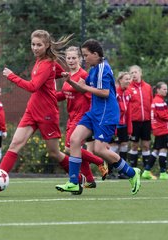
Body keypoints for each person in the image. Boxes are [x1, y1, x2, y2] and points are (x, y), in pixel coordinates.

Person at [0, 30, 86, 193]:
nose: (35, 48)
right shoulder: (42, 62)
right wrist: (62, 74)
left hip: (47, 113)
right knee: (15, 144)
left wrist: (12, 76)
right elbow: (57, 73)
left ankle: (77, 178)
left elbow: (32, 86)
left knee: (54, 153)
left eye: (39, 45)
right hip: (32, 111)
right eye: (33, 44)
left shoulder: (46, 63)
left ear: (47, 45)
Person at [55, 39, 141, 195]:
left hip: (106, 114)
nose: (84, 58)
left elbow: (105, 92)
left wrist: (85, 86)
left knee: (99, 150)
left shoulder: (103, 69)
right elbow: (82, 88)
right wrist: (70, 81)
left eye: (86, 55)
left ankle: (132, 173)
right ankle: (74, 182)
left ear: (95, 54)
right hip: (94, 112)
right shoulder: (94, 68)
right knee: (74, 140)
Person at [56, 46, 108, 188]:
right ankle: (90, 180)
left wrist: (94, 119)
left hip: (82, 117)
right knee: (76, 148)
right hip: (71, 116)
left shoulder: (84, 75)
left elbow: (92, 97)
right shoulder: (67, 76)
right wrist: (48, 96)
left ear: (79, 59)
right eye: (68, 58)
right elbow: (64, 94)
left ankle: (98, 161)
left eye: (74, 58)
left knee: (69, 149)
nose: (71, 60)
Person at [142, 82, 168, 180]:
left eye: (166, 89)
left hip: (158, 129)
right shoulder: (159, 101)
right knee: (163, 149)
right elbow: (163, 115)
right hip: (162, 129)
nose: (166, 91)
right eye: (164, 89)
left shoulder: (157, 100)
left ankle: (147, 171)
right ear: (158, 90)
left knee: (156, 150)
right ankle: (163, 172)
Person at [127, 65, 155, 178]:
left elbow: (151, 103)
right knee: (134, 145)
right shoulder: (128, 88)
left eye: (136, 72)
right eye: (132, 72)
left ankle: (146, 171)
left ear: (140, 73)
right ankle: (133, 171)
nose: (134, 74)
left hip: (146, 121)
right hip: (134, 121)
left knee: (146, 145)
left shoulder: (147, 87)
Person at [109, 71, 132, 179]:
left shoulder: (127, 94)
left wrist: (130, 129)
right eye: (126, 79)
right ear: (120, 80)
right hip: (115, 125)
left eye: (129, 79)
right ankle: (109, 172)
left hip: (123, 125)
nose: (128, 81)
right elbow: (112, 111)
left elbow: (128, 113)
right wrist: (113, 129)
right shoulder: (115, 93)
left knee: (124, 147)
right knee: (113, 148)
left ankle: (122, 172)